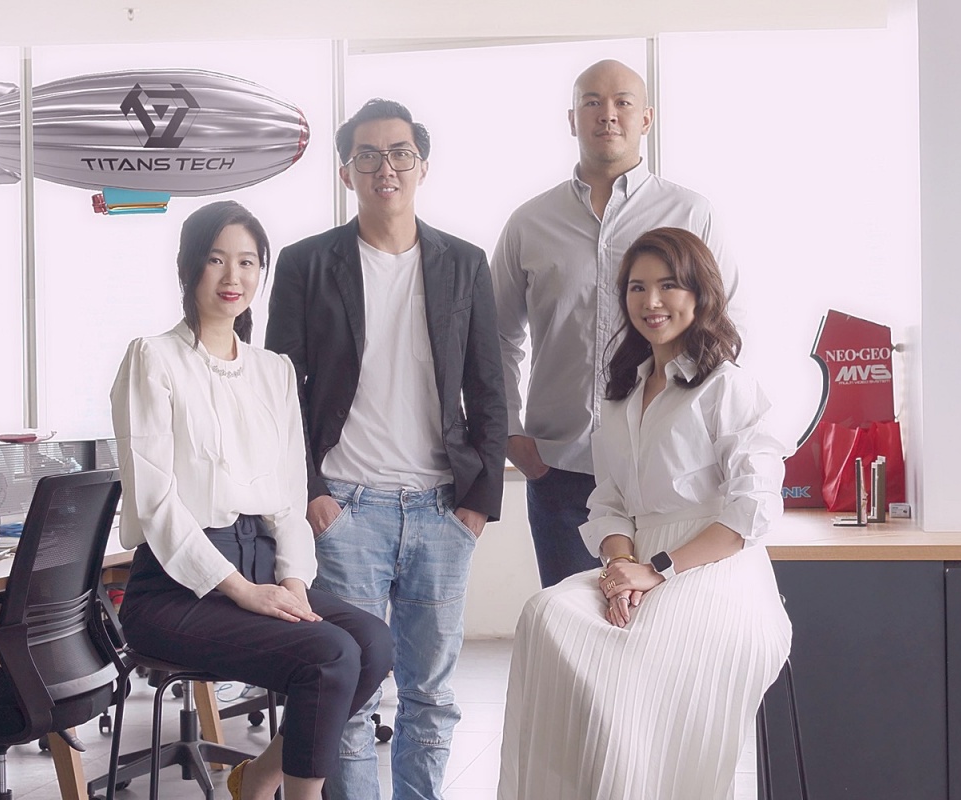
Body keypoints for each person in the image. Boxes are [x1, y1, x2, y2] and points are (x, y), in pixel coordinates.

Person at [265, 99, 507, 800]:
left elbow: (489, 386)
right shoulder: (307, 263)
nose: (385, 168)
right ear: (347, 172)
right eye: (367, 155)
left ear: (422, 166)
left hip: (441, 510)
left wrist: (477, 506)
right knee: (350, 694)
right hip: (346, 508)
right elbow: (279, 393)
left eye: (400, 153)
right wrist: (313, 495)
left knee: (431, 695)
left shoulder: (464, 263)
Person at [110, 201, 394, 800]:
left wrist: (292, 584)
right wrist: (242, 591)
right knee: (329, 655)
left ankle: (259, 777)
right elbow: (157, 504)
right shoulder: (153, 358)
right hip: (177, 590)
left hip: (263, 569)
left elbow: (289, 497)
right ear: (188, 267)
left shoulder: (274, 370)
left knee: (372, 643)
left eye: (247, 262)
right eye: (216, 260)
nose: (232, 277)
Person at [497, 227, 790, 800]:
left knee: (627, 667)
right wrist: (619, 572)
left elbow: (751, 508)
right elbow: (609, 502)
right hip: (637, 565)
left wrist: (657, 570)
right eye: (637, 287)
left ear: (700, 293)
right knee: (545, 614)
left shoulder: (726, 387)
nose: (651, 301)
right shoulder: (621, 396)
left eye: (669, 285)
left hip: (716, 571)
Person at [492, 58, 740, 588]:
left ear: (646, 117)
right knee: (572, 621)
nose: (607, 114)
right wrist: (510, 431)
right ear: (571, 119)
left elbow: (726, 323)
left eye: (623, 102)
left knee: (661, 618)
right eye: (592, 102)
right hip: (559, 467)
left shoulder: (691, 213)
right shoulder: (528, 223)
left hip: (669, 470)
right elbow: (497, 336)